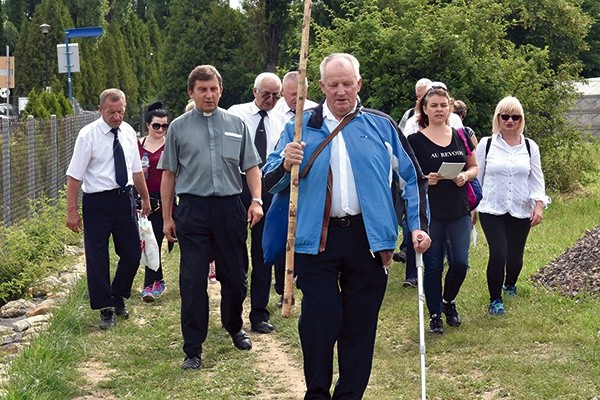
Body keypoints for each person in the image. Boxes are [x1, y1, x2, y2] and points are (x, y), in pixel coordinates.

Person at [263, 53, 431, 399]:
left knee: (360, 325)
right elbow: (270, 180)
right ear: (321, 86)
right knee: (321, 320)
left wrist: (417, 225)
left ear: (359, 84)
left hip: (367, 238)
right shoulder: (300, 126)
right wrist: (286, 164)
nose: (341, 91)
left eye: (347, 83)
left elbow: (412, 179)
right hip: (314, 239)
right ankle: (318, 392)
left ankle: (350, 395)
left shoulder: (381, 125)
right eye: (333, 84)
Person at [159, 65, 264, 370]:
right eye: (202, 89)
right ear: (191, 92)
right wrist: (167, 217)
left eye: (214, 89)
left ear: (221, 90)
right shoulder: (178, 128)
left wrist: (256, 200)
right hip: (193, 210)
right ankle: (193, 348)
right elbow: (169, 174)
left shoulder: (236, 124)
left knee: (235, 276)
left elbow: (252, 167)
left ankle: (234, 326)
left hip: (230, 208)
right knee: (192, 282)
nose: (209, 95)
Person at [66, 88, 151, 330]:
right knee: (97, 257)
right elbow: (74, 177)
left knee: (133, 253)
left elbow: (136, 170)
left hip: (124, 199)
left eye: (120, 111)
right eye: (112, 112)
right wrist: (71, 211)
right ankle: (105, 309)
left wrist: (144, 199)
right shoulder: (88, 135)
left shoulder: (127, 132)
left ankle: (118, 295)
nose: (117, 116)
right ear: (101, 110)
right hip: (98, 203)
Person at [407, 86, 479, 334]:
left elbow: (474, 166)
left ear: (450, 107)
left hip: (459, 208)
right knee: (434, 265)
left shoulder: (460, 135)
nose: (439, 109)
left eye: (443, 105)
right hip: (431, 212)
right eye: (434, 105)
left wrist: (465, 176)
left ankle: (449, 301)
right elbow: (408, 175)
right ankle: (435, 314)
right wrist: (426, 178)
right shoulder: (414, 140)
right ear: (424, 109)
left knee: (460, 263)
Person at [476, 96, 550, 316]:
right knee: (498, 252)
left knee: (515, 257)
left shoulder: (530, 146)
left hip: (520, 207)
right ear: (498, 118)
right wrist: (470, 207)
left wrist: (539, 205)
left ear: (521, 120)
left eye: (515, 117)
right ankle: (495, 298)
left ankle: (510, 284)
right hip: (491, 207)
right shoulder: (486, 144)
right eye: (505, 116)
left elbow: (536, 179)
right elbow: (476, 177)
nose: (510, 121)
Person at [228, 72, 288, 334]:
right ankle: (233, 312)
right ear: (255, 92)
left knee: (264, 252)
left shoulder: (282, 120)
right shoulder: (236, 114)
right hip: (238, 185)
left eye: (276, 95)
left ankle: (259, 314)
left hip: (269, 186)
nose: (271, 100)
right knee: (236, 253)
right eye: (266, 94)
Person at [138, 101, 169, 302]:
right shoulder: (137, 144)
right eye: (156, 125)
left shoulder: (170, 146)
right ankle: (157, 279)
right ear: (148, 125)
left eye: (164, 126)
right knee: (145, 241)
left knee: (155, 240)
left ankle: (149, 285)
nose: (160, 129)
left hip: (163, 199)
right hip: (141, 198)